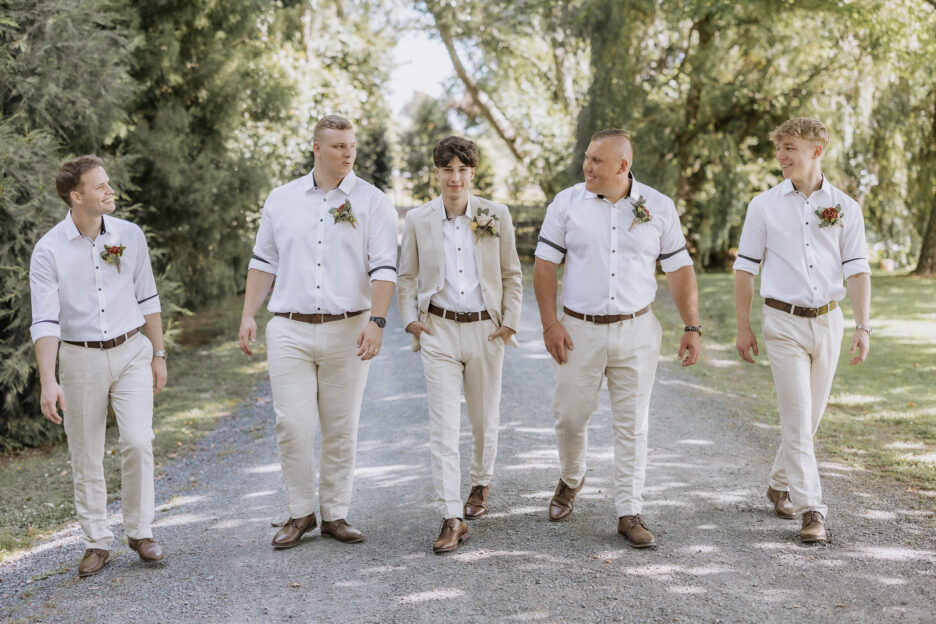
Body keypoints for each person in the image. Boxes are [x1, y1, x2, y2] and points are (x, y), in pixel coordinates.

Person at [533, 129, 701, 548]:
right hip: (578, 331)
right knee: (570, 416)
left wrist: (691, 326)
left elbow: (679, 270)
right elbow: (544, 264)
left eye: (595, 161)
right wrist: (550, 323)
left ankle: (629, 511)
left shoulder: (658, 207)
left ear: (622, 167)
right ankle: (572, 478)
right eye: (587, 158)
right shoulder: (566, 203)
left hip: (637, 330)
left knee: (633, 425)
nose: (586, 167)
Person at [238, 115, 397, 547]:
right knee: (292, 423)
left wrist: (377, 321)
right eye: (338, 147)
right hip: (289, 327)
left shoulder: (372, 201)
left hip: (348, 329)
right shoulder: (282, 199)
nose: (348, 153)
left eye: (351, 146)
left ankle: (336, 514)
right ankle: (300, 513)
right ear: (316, 148)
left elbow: (385, 267)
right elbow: (263, 260)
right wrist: (249, 314)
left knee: (341, 425)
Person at [734, 117, 871, 544]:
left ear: (817, 150)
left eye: (790, 148)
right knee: (796, 418)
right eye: (779, 149)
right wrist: (744, 326)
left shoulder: (846, 207)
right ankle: (812, 509)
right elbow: (744, 269)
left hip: (829, 321)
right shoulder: (763, 205)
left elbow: (858, 270)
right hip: (782, 323)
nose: (781, 157)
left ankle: (777, 483)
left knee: (808, 419)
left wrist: (863, 326)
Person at [29, 155, 168, 577]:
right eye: (101, 186)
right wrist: (49, 380)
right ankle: (96, 541)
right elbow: (45, 319)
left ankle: (140, 531)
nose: (110, 192)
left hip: (131, 351)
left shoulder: (129, 235)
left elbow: (148, 297)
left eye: (109, 184)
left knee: (138, 441)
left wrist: (158, 353)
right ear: (76, 196)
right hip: (80, 356)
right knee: (85, 452)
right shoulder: (49, 250)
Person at [397, 136, 523, 553]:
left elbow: (511, 275)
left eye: (462, 170)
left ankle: (480, 483)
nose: (455, 177)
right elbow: (407, 277)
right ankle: (451, 516)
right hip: (439, 331)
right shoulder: (418, 219)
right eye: (447, 169)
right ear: (436, 172)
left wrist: (509, 324)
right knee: (444, 426)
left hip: (487, 329)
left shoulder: (494, 215)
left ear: (472, 173)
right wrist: (412, 321)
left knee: (485, 418)